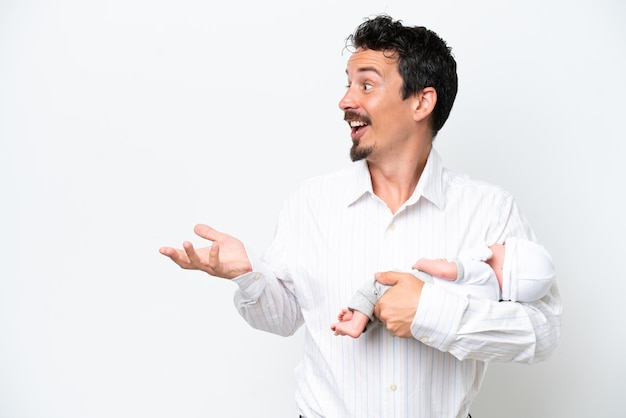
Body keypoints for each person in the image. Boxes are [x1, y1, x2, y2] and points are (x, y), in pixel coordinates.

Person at [159, 14, 562, 418]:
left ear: (421, 101)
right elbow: (282, 319)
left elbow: (541, 333)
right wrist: (249, 276)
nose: (346, 101)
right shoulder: (311, 202)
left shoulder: (489, 209)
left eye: (366, 85)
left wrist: (431, 313)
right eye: (348, 84)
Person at [331, 238, 556, 338]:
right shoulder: (492, 299)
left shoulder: (483, 272)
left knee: (377, 285)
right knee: (381, 308)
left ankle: (356, 322)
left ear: (505, 267)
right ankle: (358, 320)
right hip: (428, 307)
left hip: (426, 285)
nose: (497, 243)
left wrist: (423, 263)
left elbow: (446, 272)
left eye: (503, 246)